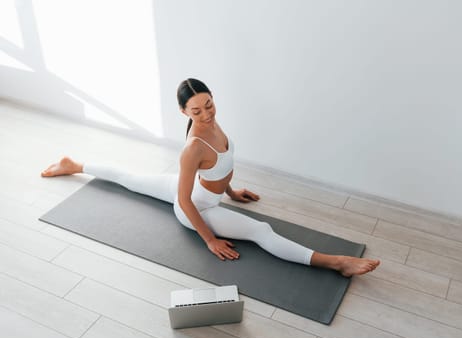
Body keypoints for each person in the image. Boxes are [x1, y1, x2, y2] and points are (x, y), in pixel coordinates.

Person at [41, 78, 380, 277]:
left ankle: (74, 164)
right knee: (261, 231)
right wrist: (209, 239)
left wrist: (231, 190)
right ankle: (337, 263)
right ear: (183, 112)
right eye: (196, 111)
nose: (205, 114)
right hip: (195, 209)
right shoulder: (192, 148)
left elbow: (222, 165)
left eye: (209, 105)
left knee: (130, 177)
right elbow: (185, 200)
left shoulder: (213, 125)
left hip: (204, 194)